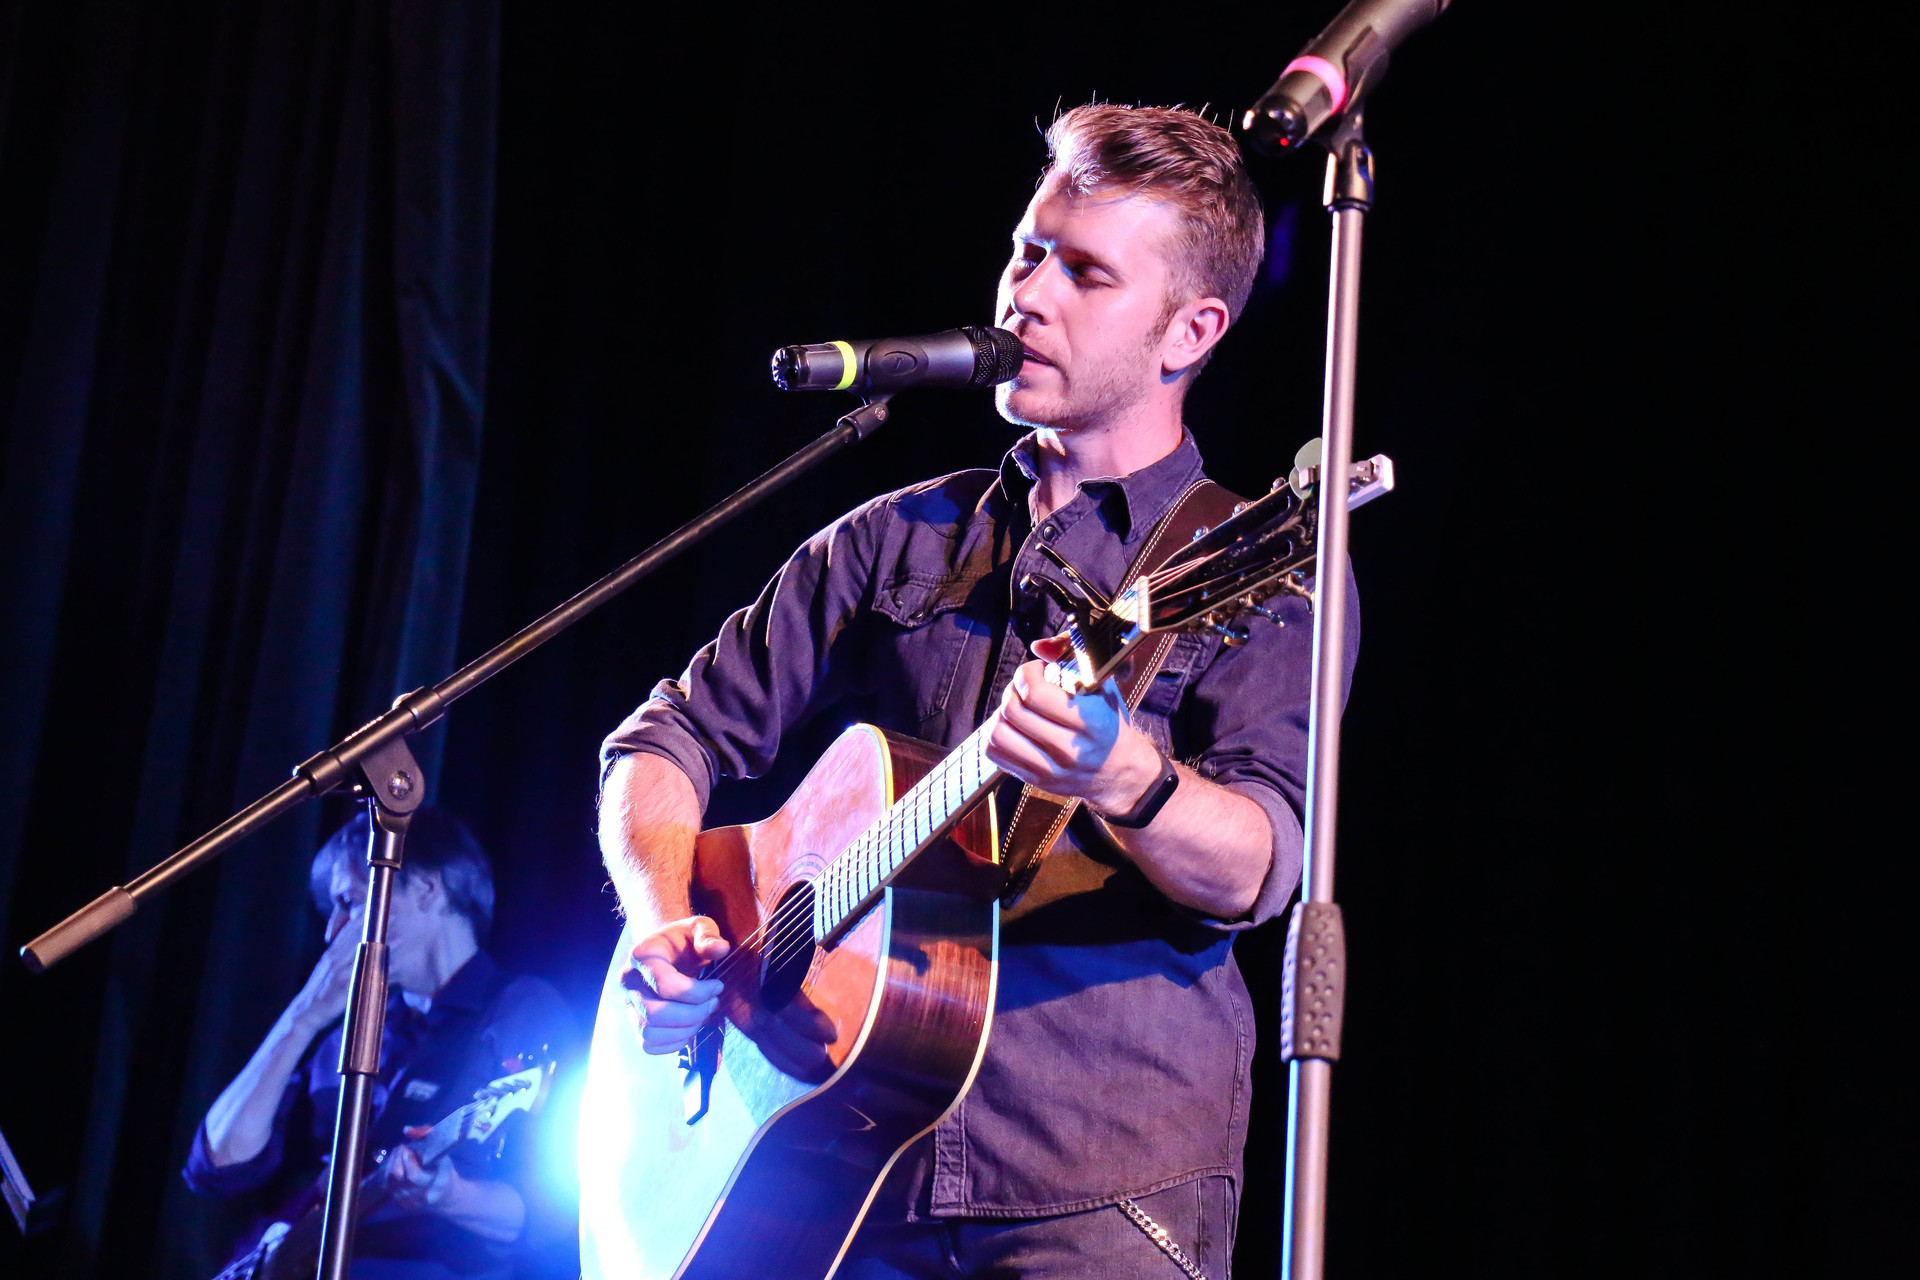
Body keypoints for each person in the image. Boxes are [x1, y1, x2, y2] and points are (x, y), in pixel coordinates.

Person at [597, 104, 1358, 1278]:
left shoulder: (1266, 568)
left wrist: (1127, 775)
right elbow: (662, 739)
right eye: (1027, 251)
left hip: (1098, 1184)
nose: (1027, 294)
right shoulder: (895, 537)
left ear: (1191, 330)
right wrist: (662, 920)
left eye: (1086, 273)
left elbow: (1260, 865)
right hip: (844, 1170)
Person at [184, 806, 576, 1279]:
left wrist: (450, 1195)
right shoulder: (352, 1034)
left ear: (428, 889)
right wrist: (302, 1018)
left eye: (350, 902)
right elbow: (219, 1164)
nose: (332, 931)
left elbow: (558, 1212)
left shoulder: (522, 1009)